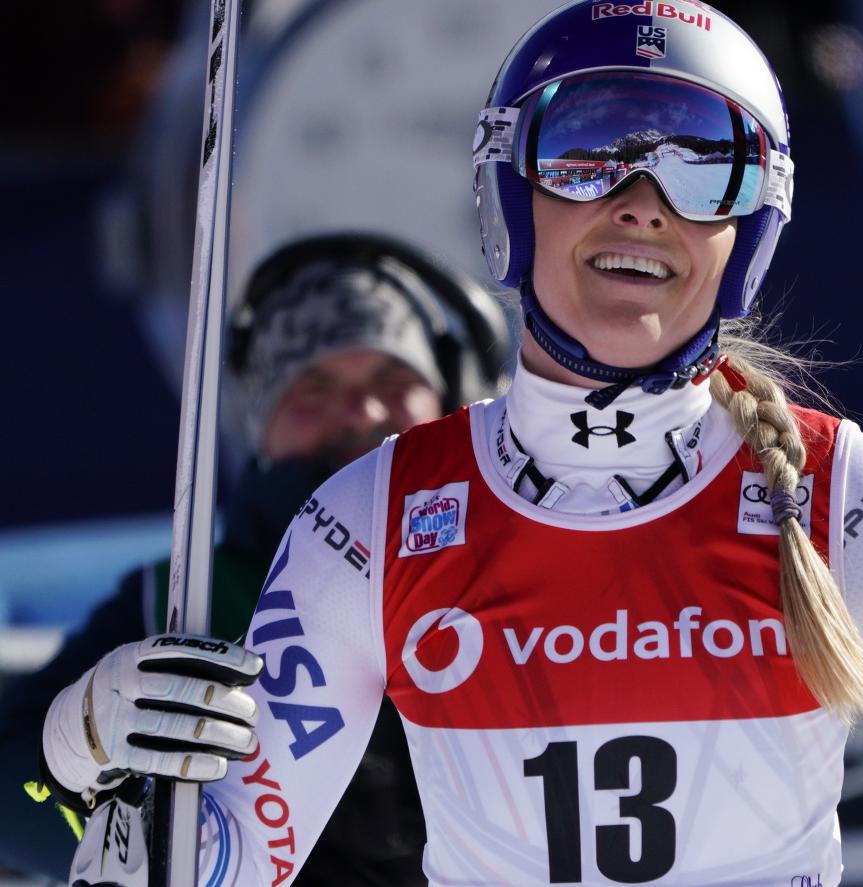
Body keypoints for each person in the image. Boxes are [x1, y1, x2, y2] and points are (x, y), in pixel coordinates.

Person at [41, 3, 863, 885]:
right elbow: (227, 854)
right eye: (588, 149)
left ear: (747, 235)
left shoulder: (849, 497)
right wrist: (89, 753)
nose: (642, 201)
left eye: (702, 163)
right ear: (511, 193)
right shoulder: (372, 518)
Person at [2, 232, 510, 884]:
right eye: (313, 387)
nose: (359, 410)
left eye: (392, 378)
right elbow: (12, 805)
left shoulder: (522, 563)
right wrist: (74, 762)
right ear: (258, 425)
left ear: (456, 397)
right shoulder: (183, 595)